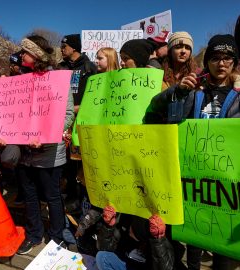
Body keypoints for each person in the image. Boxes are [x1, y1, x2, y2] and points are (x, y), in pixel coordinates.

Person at [144, 34, 240, 269]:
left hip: (226, 185)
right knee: (194, 243)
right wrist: (178, 91)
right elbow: (155, 108)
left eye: (228, 58)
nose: (221, 63)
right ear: (207, 62)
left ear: (234, 63)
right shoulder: (195, 91)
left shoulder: (238, 95)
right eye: (215, 58)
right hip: (195, 183)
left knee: (224, 258)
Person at [8, 34, 75, 255]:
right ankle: (34, 234)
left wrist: (45, 136)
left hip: (48, 153)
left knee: (53, 196)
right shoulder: (20, 80)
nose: (21, 55)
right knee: (29, 195)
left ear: (36, 55)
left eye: (25, 51)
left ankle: (57, 236)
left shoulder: (57, 79)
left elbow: (66, 115)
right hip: (25, 152)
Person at [57, 34, 97, 211]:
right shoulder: (60, 67)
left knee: (79, 160)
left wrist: (76, 108)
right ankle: (67, 193)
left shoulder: (89, 67)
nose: (61, 49)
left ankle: (80, 199)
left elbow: (95, 96)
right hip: (62, 120)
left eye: (64, 46)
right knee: (64, 160)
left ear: (73, 47)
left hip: (81, 120)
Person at [95, 214, 174, 270]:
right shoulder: (126, 218)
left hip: (148, 266)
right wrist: (108, 227)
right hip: (129, 262)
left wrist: (158, 241)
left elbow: (165, 268)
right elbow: (103, 248)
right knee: (102, 257)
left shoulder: (162, 231)